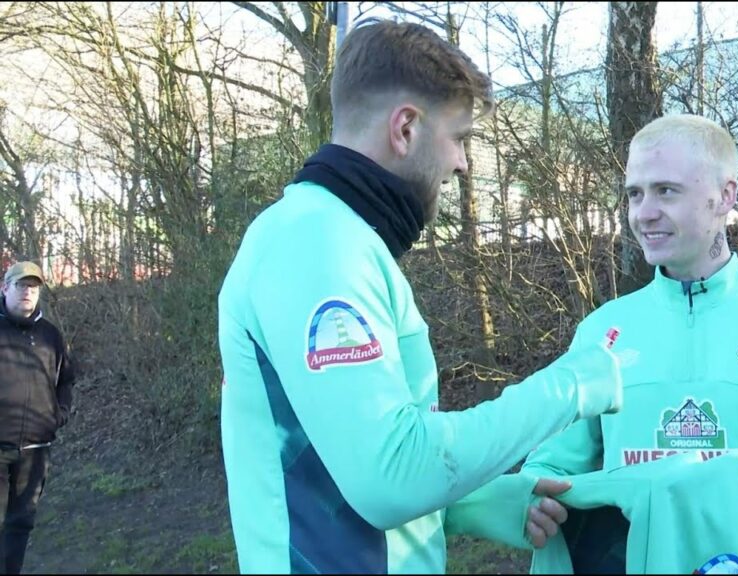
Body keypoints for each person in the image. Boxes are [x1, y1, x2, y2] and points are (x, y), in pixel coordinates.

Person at [216, 18, 623, 575]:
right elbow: (390, 474)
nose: (462, 163)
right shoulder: (317, 244)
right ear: (405, 128)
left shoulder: (340, 237)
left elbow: (341, 458)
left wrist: (470, 501)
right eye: (459, 138)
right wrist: (572, 386)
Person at [516, 114, 738, 573]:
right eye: (634, 193)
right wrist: (532, 502)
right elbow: (548, 473)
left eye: (666, 190)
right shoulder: (602, 331)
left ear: (725, 196)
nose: (644, 212)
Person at [0, 261, 75, 575]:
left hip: (36, 448)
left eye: (33, 287)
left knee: (20, 525)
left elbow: (66, 380)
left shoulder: (50, 335)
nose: (27, 292)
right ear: (5, 288)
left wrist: (59, 415)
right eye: (21, 285)